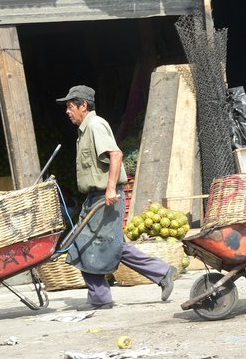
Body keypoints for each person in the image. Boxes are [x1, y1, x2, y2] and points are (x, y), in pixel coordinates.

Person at [56, 85, 177, 311]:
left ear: (84, 105)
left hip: (105, 196)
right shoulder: (85, 129)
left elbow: (116, 154)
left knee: (88, 244)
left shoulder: (95, 125)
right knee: (93, 244)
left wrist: (111, 188)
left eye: (70, 106)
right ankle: (157, 274)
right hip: (95, 196)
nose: (67, 111)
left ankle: (104, 296)